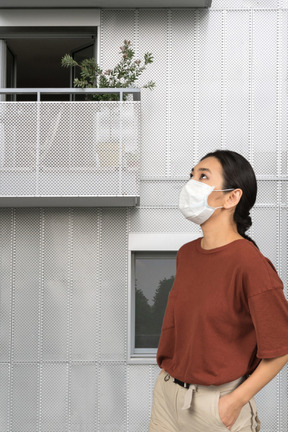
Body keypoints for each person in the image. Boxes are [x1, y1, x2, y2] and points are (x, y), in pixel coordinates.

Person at [149, 150, 288, 432]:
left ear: (231, 197)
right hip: (167, 397)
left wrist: (235, 401)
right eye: (191, 176)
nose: (191, 184)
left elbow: (280, 348)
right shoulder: (187, 255)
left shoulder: (250, 263)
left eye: (203, 176)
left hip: (216, 407)